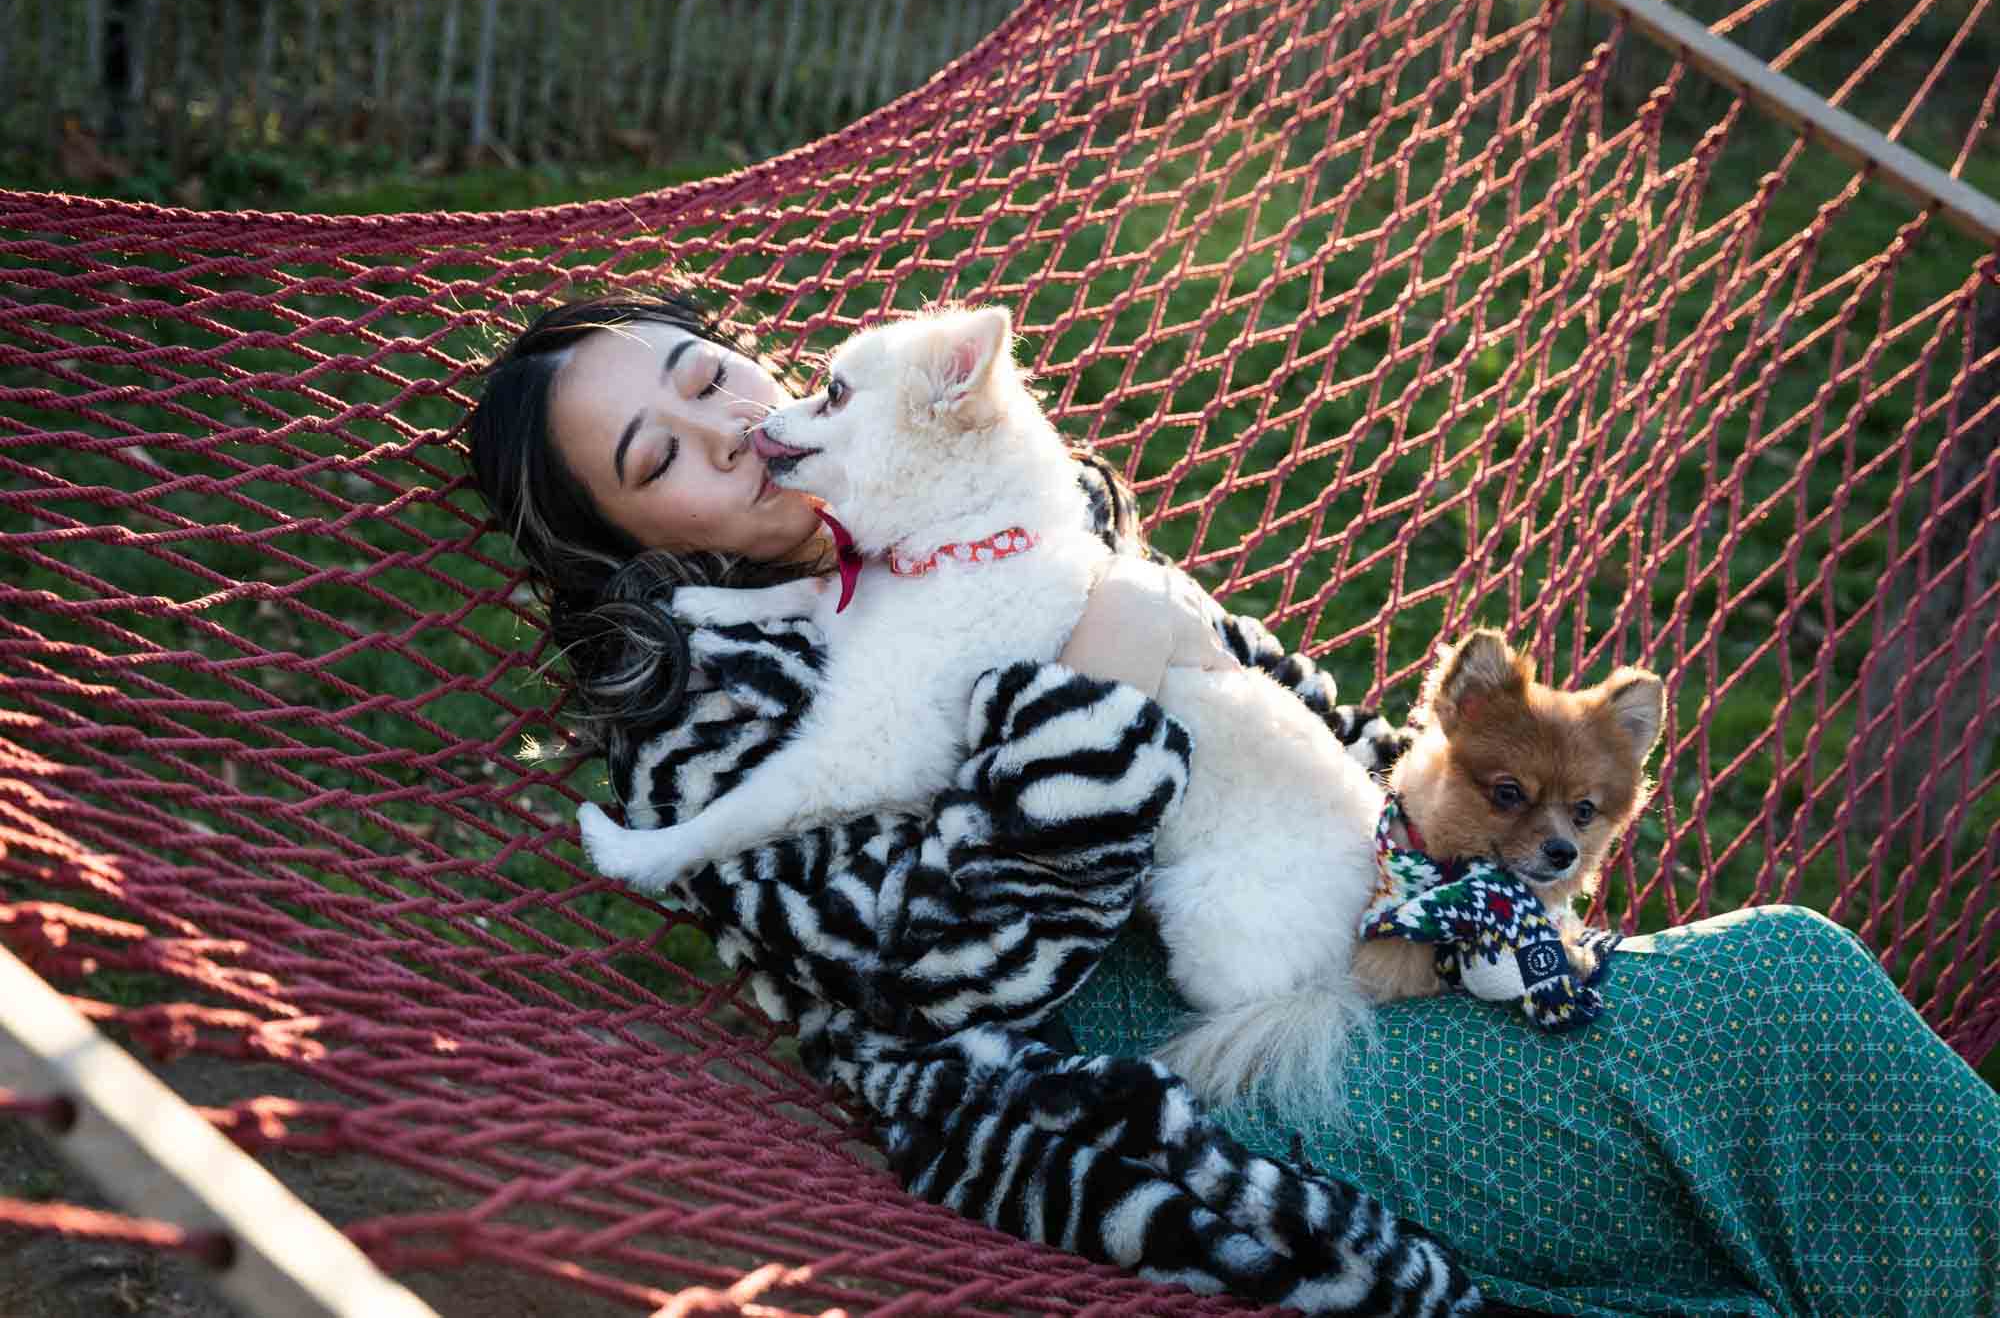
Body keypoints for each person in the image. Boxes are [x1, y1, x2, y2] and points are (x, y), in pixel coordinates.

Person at [467, 291, 2000, 1317]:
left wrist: (1435, 879)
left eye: (703, 371)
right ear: (637, 548)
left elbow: (1294, 725)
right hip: (1151, 1074)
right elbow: (928, 982)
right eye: (657, 453)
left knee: (1785, 984)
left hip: (1350, 949)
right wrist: (1086, 687)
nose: (729, 422)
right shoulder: (710, 738)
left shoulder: (997, 491)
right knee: (1784, 1009)